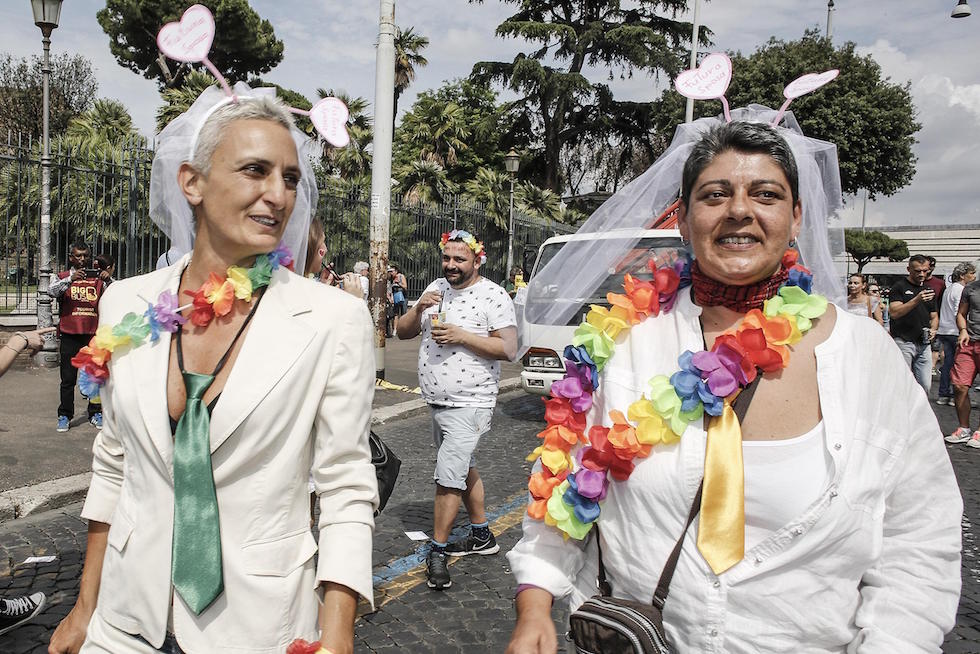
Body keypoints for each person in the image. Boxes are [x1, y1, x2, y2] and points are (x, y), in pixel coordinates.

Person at [506, 118, 960, 653]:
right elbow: (561, 483)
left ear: (795, 217)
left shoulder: (866, 355)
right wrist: (535, 602)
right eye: (715, 195)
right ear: (683, 220)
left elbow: (919, 536)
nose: (739, 210)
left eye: (765, 194)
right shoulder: (618, 340)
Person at [49, 85, 378, 654]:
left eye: (290, 178)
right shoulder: (125, 304)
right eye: (255, 170)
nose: (278, 195)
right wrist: (85, 607)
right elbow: (114, 465)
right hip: (123, 623)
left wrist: (338, 632)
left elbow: (346, 485)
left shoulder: (332, 320)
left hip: (258, 628)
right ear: (192, 182)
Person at [395, 229, 517, 591]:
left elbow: (509, 349)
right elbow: (402, 333)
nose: (451, 265)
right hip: (437, 402)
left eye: (459, 259)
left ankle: (437, 549)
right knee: (464, 468)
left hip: (471, 402)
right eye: (447, 258)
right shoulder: (436, 288)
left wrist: (462, 336)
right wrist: (418, 308)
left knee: (448, 477)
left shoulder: (493, 295)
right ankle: (482, 534)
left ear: (477, 261)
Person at [48, 242, 107, 432]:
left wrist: (108, 278)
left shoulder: (98, 278)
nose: (82, 259)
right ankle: (65, 415)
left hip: (92, 335)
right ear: (71, 257)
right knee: (68, 379)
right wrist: (70, 279)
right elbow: (51, 291)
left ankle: (95, 412)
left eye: (85, 255)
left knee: (94, 377)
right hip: (69, 334)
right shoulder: (62, 277)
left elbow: (117, 293)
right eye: (78, 256)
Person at [888, 254, 939, 393]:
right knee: (902, 382)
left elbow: (934, 316)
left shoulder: (929, 290)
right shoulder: (899, 287)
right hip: (904, 341)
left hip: (924, 343)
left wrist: (933, 329)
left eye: (925, 270)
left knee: (925, 386)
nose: (921, 274)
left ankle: (920, 407)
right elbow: (894, 312)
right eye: (917, 271)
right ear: (909, 269)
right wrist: (916, 300)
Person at [945, 271, 980, 446]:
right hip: (969, 342)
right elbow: (961, 313)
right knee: (959, 385)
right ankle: (964, 429)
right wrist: (963, 330)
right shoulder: (971, 288)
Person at [937, 262, 977, 406]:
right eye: (971, 273)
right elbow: (958, 312)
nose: (974, 276)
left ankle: (944, 394)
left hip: (944, 329)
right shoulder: (961, 290)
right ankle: (957, 397)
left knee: (948, 363)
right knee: (959, 366)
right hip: (956, 331)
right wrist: (964, 329)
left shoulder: (949, 288)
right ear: (962, 275)